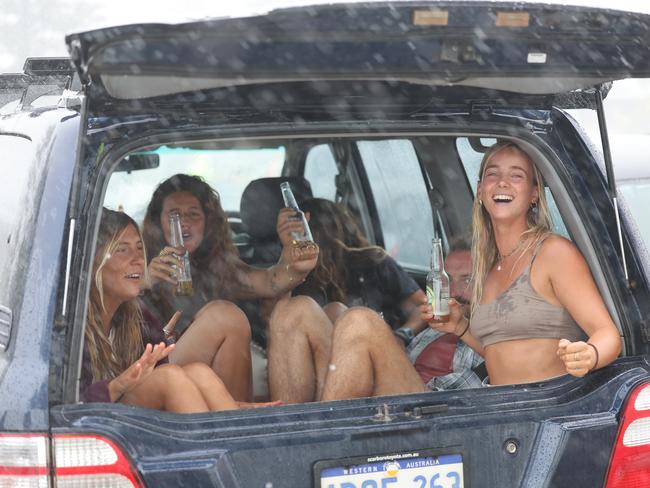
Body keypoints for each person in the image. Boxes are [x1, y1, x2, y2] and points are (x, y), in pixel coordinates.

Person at [422, 141, 621, 385]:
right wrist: (459, 325)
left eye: (516, 175)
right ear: (480, 191)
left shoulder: (553, 253)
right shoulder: (487, 263)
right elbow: (500, 353)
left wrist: (590, 355)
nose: (502, 182)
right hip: (499, 405)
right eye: (492, 174)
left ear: (534, 194)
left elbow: (608, 334)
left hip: (548, 407)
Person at [267, 199, 481, 403]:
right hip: (391, 394)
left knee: (359, 320)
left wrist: (400, 333)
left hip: (437, 411)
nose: (451, 291)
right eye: (446, 280)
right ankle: (289, 432)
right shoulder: (441, 324)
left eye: (467, 279)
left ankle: (324, 432)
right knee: (300, 309)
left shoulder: (499, 328)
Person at [142, 174, 318, 401]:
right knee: (225, 316)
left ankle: (236, 420)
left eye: (193, 214)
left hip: (210, 381)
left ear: (208, 222)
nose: (183, 223)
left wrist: (294, 263)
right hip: (155, 377)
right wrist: (144, 281)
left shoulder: (218, 269)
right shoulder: (138, 261)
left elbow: (270, 282)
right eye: (173, 215)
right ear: (159, 222)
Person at [80, 208, 239, 412]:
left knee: (199, 372)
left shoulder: (137, 315)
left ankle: (234, 435)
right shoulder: (72, 325)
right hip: (97, 427)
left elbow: (163, 368)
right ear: (93, 262)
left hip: (137, 416)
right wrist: (119, 385)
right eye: (122, 250)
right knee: (168, 378)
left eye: (139, 249)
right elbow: (64, 403)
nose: (138, 259)